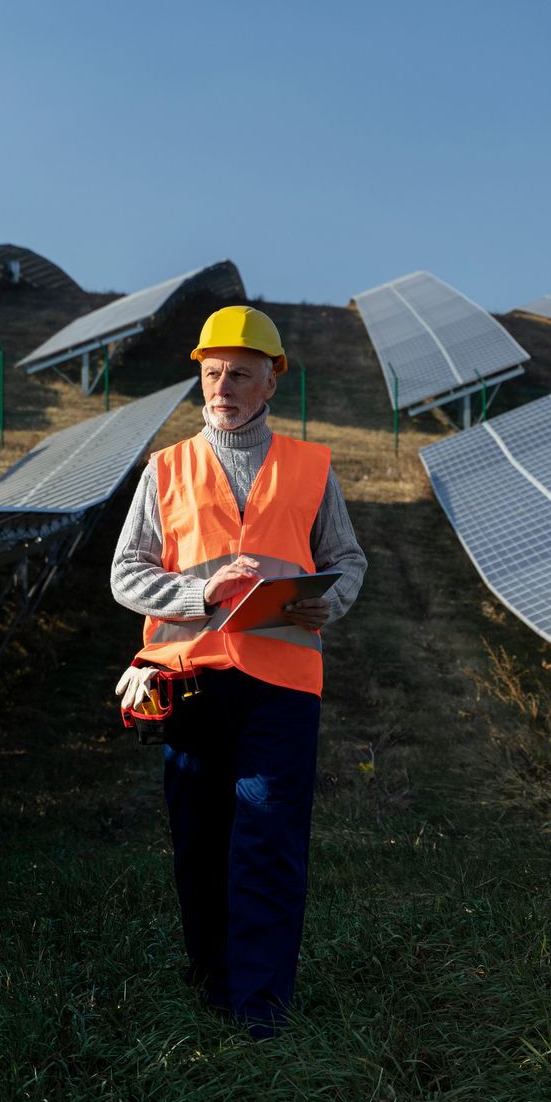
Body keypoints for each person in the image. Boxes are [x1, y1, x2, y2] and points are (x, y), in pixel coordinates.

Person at [108, 304, 366, 1038]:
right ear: (200, 376)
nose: (223, 386)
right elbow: (127, 572)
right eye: (213, 373)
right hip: (188, 680)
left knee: (270, 839)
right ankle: (211, 979)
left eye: (241, 375)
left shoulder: (312, 468)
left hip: (283, 684)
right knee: (201, 837)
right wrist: (199, 592)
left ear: (270, 383)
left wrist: (331, 602)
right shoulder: (166, 468)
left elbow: (346, 560)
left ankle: (259, 1010)